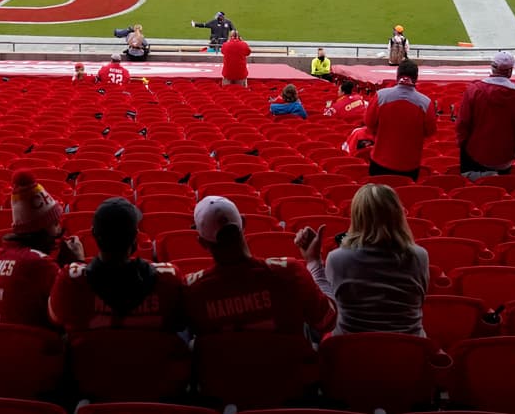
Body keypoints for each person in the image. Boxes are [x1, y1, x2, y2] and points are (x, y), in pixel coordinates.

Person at [184, 196, 335, 337]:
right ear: (243, 223)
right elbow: (328, 321)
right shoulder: (289, 272)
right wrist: (314, 262)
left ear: (202, 242)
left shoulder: (192, 289)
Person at [294, 184, 428, 336]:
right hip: (409, 349)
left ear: (357, 215)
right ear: (397, 214)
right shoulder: (420, 256)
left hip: (351, 348)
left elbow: (327, 309)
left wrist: (313, 262)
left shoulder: (338, 258)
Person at [49, 198, 184, 332]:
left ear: (93, 234)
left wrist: (78, 263)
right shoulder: (169, 278)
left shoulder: (70, 281)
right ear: (136, 236)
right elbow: (180, 322)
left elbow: (56, 318)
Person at [0, 172, 84, 326]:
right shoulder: (40, 264)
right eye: (55, 223)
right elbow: (72, 313)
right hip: (21, 348)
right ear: (43, 227)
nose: (60, 228)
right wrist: (76, 265)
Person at [456, 51, 515, 178]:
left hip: (475, 152)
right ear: (509, 71)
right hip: (505, 155)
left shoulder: (475, 90)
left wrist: (463, 145)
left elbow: (463, 122)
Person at [364, 59, 436, 180]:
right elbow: (430, 131)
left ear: (397, 75)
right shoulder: (425, 103)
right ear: (416, 78)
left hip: (380, 161)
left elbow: (369, 123)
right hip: (410, 165)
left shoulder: (381, 96)